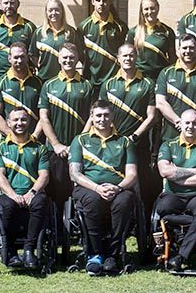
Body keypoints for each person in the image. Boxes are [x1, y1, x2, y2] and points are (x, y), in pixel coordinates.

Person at [69, 101, 137, 276]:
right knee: (92, 200)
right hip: (88, 188)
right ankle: (95, 254)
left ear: (112, 117)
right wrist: (97, 188)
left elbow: (132, 175)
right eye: (98, 115)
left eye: (106, 115)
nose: (102, 119)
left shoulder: (125, 142)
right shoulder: (79, 140)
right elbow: (75, 174)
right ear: (91, 117)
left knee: (124, 202)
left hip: (118, 189)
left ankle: (112, 256)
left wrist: (117, 188)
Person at [99, 43, 158, 224]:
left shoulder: (148, 84)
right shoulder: (108, 84)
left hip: (137, 143)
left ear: (136, 57)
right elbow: (99, 114)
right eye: (124, 56)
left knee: (142, 188)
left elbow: (152, 116)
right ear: (118, 58)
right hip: (112, 144)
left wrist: (134, 136)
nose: (128, 59)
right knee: (115, 183)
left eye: (131, 55)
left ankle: (145, 225)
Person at [156, 109, 196, 271]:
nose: (190, 126)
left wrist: (178, 174)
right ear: (180, 124)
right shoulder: (168, 145)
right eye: (187, 123)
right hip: (174, 194)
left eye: (194, 123)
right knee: (163, 208)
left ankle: (181, 256)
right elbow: (165, 172)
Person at [0, 108, 50, 268]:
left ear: (29, 122)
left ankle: (29, 249)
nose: (19, 123)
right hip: (9, 194)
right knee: (8, 206)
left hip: (33, 192)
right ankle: (10, 251)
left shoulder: (40, 148)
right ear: (8, 123)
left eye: (23, 119)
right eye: (15, 120)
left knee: (39, 203)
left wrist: (32, 193)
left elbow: (44, 176)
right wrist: (13, 195)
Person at [39, 43, 95, 212]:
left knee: (79, 189)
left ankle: (77, 229)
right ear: (58, 59)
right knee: (55, 192)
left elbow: (92, 117)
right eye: (65, 57)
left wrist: (77, 145)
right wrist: (56, 144)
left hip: (80, 149)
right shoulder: (49, 85)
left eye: (72, 57)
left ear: (77, 58)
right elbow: (44, 117)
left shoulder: (87, 85)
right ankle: (58, 232)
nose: (68, 60)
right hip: (55, 149)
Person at [155, 34, 196, 143]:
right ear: (178, 50)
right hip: (171, 136)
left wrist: (194, 120)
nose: (188, 51)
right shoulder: (166, 73)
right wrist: (179, 122)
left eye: (191, 48)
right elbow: (160, 102)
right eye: (184, 48)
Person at [77, 0, 128, 92]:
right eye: (98, 0)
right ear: (92, 2)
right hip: (90, 79)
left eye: (105, 0)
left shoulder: (120, 26)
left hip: (114, 80)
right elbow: (79, 53)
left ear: (110, 2)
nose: (101, 3)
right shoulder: (83, 26)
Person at [0, 42, 42, 138]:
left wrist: (35, 135)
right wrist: (11, 135)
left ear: (27, 57)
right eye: (16, 57)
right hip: (8, 142)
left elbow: (43, 115)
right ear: (9, 58)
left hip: (34, 140)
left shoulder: (38, 83)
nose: (19, 60)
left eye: (22, 57)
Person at [30, 0, 85, 83]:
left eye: (57, 10)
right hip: (44, 79)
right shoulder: (39, 33)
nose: (53, 13)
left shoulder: (71, 33)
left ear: (62, 11)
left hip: (66, 80)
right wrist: (43, 68)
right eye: (50, 10)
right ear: (46, 12)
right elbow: (33, 55)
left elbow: (79, 54)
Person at [0, 0, 37, 77]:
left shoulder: (29, 27)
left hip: (24, 75)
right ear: (0, 4)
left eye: (12, 3)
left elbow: (34, 53)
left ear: (18, 4)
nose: (9, 6)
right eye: (5, 3)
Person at [126, 0, 177, 80]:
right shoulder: (133, 32)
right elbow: (127, 57)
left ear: (158, 8)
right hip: (139, 78)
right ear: (142, 11)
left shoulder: (167, 31)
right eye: (146, 9)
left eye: (152, 8)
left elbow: (172, 58)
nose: (150, 12)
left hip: (160, 77)